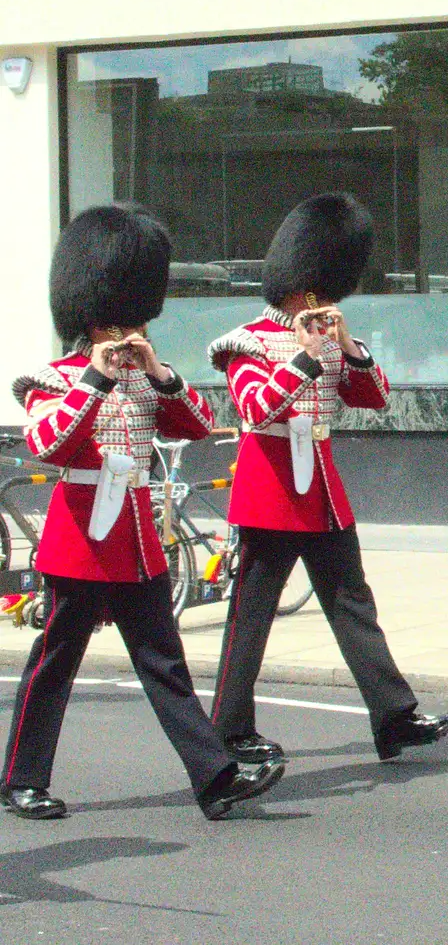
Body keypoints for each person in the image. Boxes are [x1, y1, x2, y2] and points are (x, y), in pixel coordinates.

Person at [4, 204, 283, 822]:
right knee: (55, 663)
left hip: (135, 536)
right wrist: (97, 381)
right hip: (80, 536)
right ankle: (22, 778)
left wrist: (157, 372)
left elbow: (199, 425)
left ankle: (214, 778)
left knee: (165, 663)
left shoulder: (143, 379)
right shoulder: (56, 378)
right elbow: (49, 445)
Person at [208, 193, 448, 765]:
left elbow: (373, 397)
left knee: (352, 603)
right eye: (315, 292)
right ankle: (227, 730)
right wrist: (303, 358)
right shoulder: (247, 341)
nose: (321, 301)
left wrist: (345, 346)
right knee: (250, 616)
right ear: (298, 287)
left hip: (321, 488)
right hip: (270, 488)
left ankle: (393, 717)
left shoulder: (330, 338)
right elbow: (256, 411)